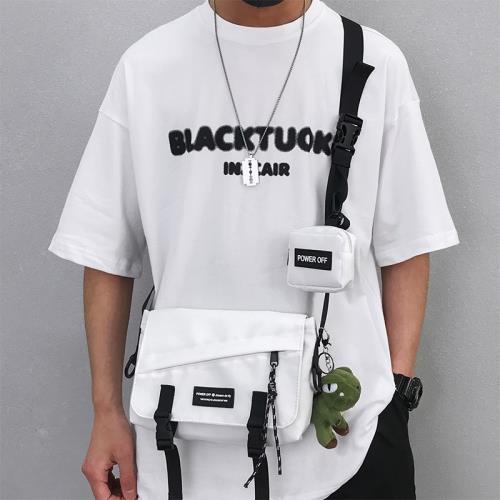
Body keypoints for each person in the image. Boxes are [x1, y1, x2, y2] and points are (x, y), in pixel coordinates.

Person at [48, 0, 460, 498]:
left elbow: (407, 246)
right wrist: (107, 410)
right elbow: (106, 252)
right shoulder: (148, 66)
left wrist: (395, 396)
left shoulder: (374, 62)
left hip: (349, 442)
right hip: (180, 446)